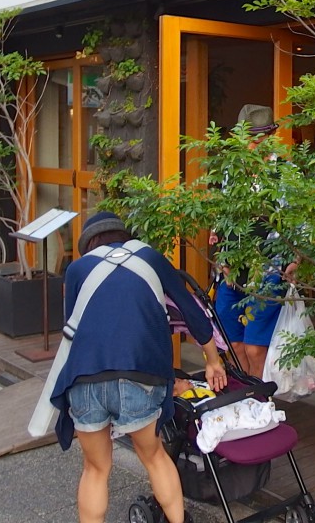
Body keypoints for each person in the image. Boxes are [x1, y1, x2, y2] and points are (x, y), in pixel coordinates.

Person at [45, 212, 227, 523]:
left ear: (88, 244)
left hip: (85, 376)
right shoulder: (149, 258)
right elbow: (192, 311)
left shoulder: (76, 270)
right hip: (139, 374)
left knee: (96, 468)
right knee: (154, 457)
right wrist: (213, 359)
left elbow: (70, 330)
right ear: (124, 236)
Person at [209, 105, 299, 379]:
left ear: (271, 136)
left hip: (270, 268)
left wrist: (295, 259)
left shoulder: (285, 172)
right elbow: (224, 215)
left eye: (257, 138)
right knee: (231, 341)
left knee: (254, 348)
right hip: (231, 268)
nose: (252, 144)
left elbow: (298, 220)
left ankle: (257, 401)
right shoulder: (231, 171)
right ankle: (242, 397)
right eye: (247, 138)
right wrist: (221, 252)